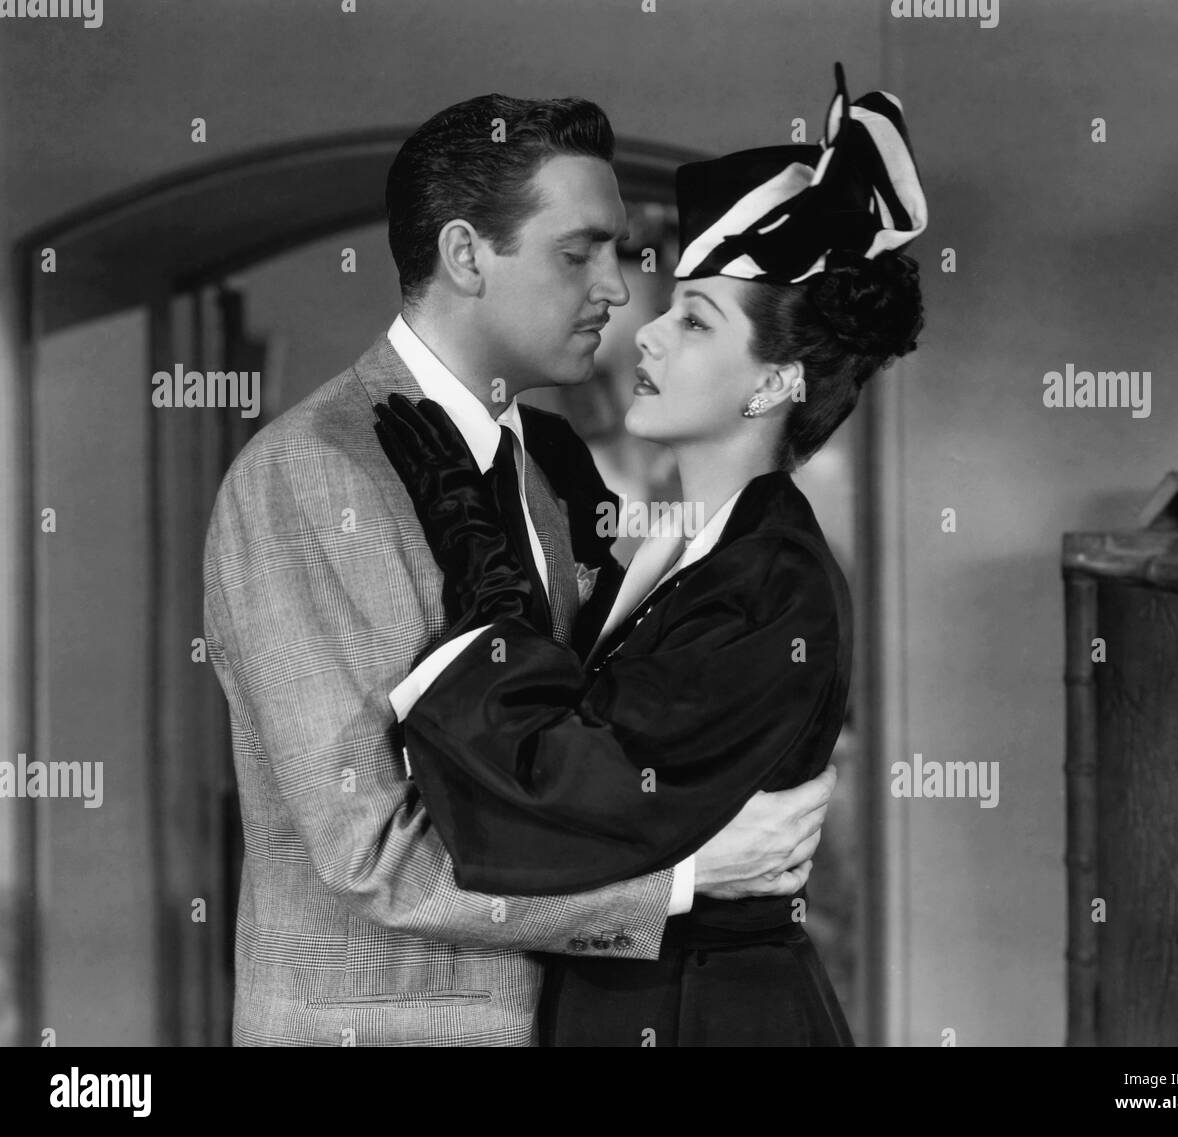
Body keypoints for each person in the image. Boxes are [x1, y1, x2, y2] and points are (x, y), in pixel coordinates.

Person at [202, 90, 835, 1047]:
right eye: (578, 253)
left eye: (616, 253)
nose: (618, 291)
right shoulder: (308, 472)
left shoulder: (537, 470)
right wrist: (687, 877)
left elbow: (557, 770)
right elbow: (377, 852)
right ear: (465, 256)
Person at [376, 62, 927, 1046]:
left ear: (772, 385)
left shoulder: (773, 583)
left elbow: (553, 806)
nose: (650, 338)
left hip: (704, 1012)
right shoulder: (682, 543)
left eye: (695, 319)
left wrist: (485, 580)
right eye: (670, 306)